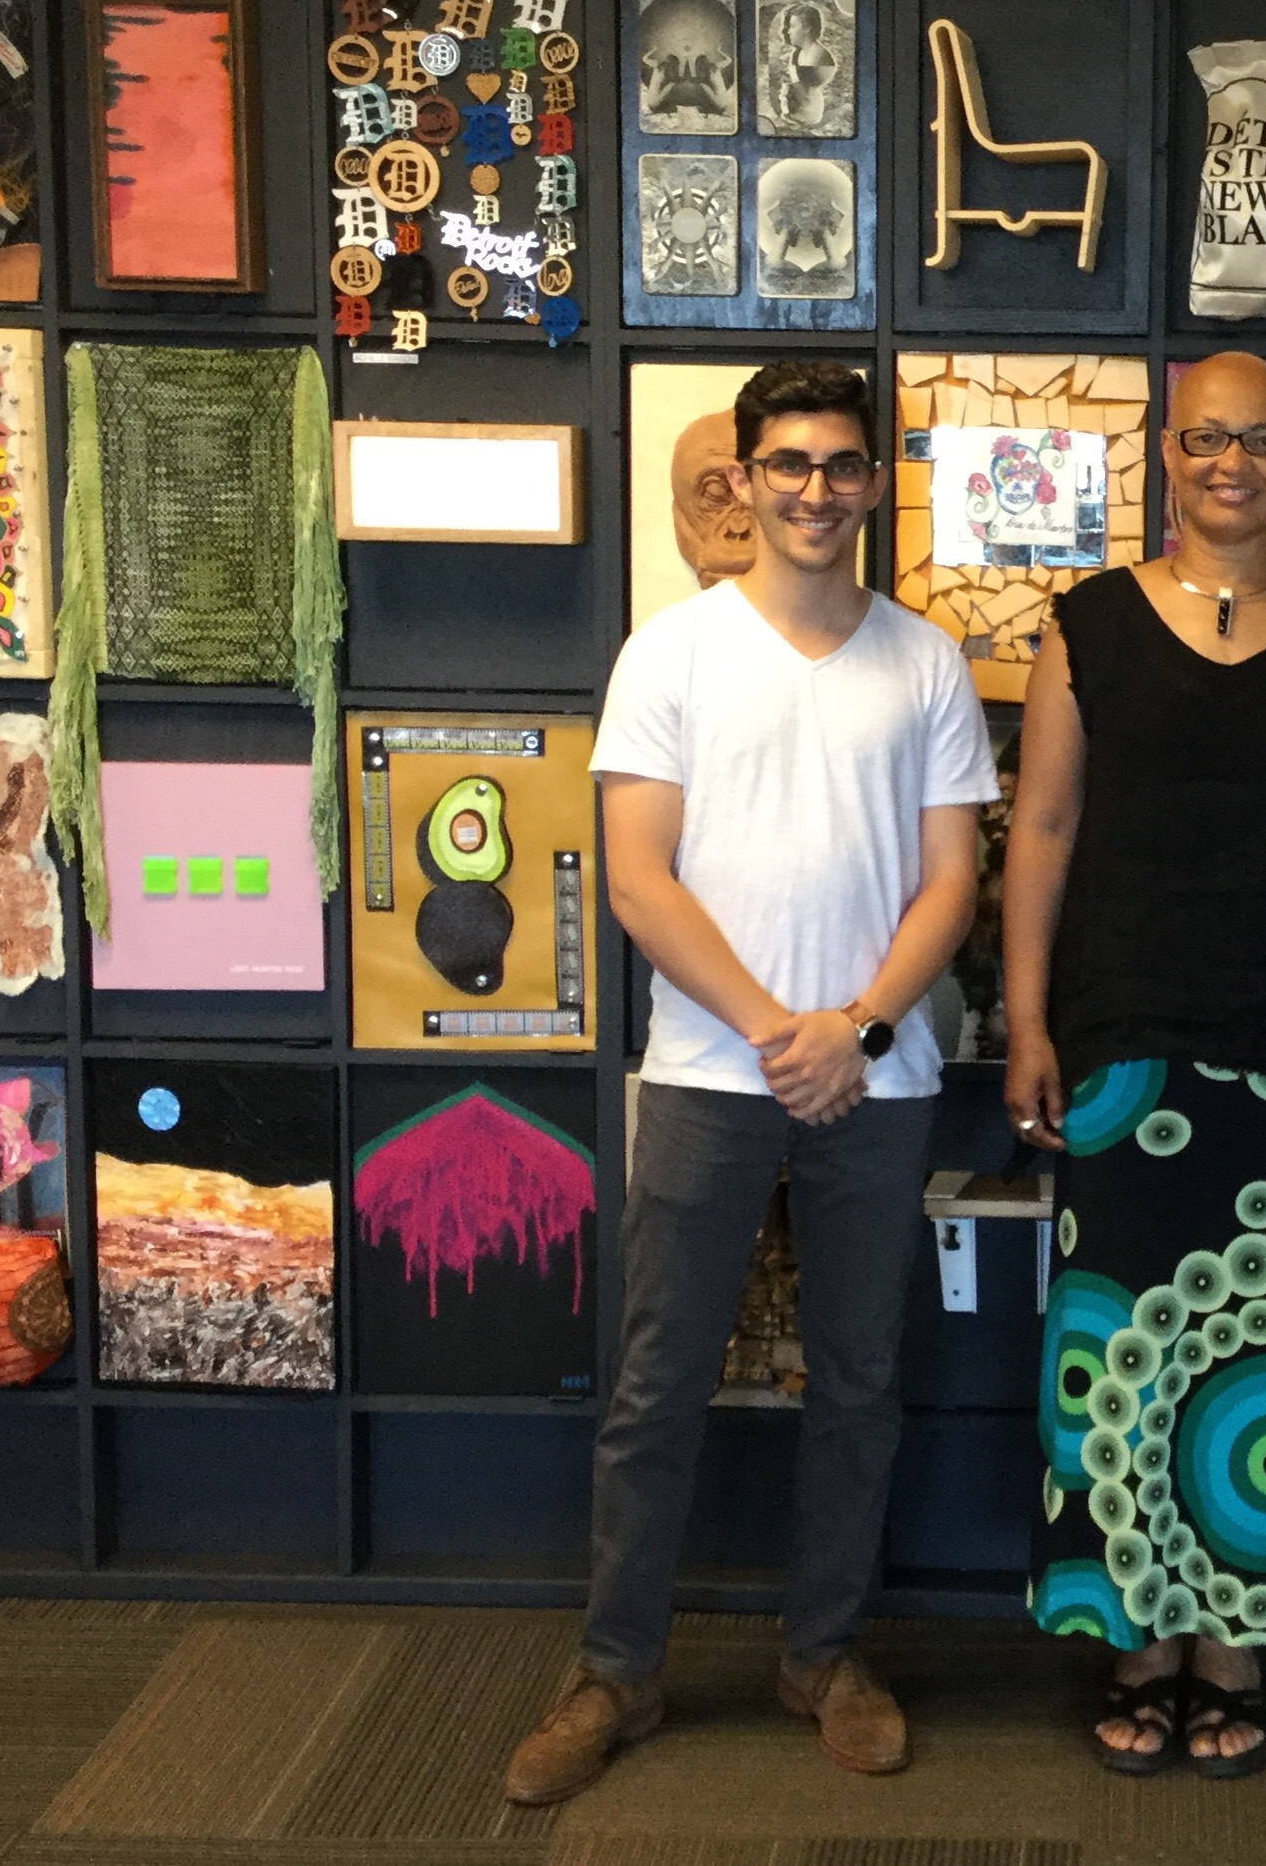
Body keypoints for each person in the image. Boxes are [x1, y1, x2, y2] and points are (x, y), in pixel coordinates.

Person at [505, 359, 997, 1805]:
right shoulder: (671, 655)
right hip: (712, 1074)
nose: (815, 491)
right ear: (743, 473)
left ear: (870, 483)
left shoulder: (924, 661)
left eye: (842, 466)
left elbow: (952, 880)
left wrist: (852, 1026)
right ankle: (615, 1673)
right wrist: (784, 1027)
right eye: (788, 463)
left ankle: (823, 1657)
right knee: (655, 1388)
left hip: (877, 1076)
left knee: (859, 1382)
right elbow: (639, 880)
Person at [1000, 353, 1266, 1778]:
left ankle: (1235, 1643)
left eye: (1260, 440)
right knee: (1124, 1351)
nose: (1230, 462)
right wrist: (1028, 1020)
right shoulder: (1090, 628)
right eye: (1206, 439)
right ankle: (1138, 1639)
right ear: (1165, 455)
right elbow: (1045, 832)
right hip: (1124, 1045)